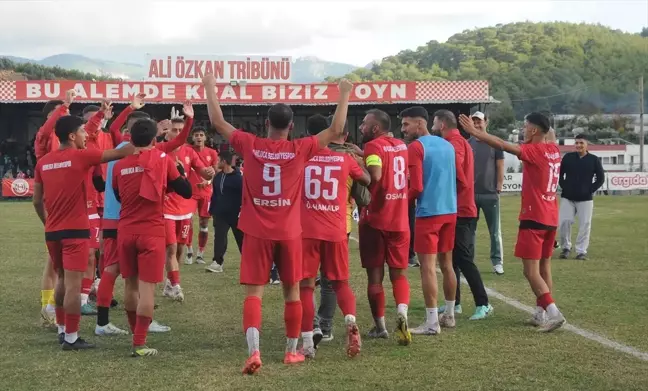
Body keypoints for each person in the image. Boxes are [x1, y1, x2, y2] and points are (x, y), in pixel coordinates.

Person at [202, 74, 353, 374]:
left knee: (254, 294)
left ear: (267, 124)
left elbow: (218, 122)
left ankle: (254, 352)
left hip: (257, 231)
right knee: (292, 292)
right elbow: (336, 129)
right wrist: (344, 93)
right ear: (290, 126)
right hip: (289, 232)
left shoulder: (250, 144)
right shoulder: (301, 148)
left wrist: (209, 87)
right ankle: (290, 352)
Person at [32, 114, 135, 350]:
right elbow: (122, 152)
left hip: (53, 231)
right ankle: (71, 337)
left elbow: (37, 200)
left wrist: (47, 221)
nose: (84, 136)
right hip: (76, 231)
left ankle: (61, 329)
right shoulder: (81, 156)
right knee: (73, 286)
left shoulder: (43, 162)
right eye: (81, 132)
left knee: (61, 279)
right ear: (71, 135)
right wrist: (142, 135)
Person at [459, 112, 566, 332]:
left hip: (534, 216)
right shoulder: (553, 149)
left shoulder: (534, 151)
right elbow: (549, 133)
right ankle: (540, 313)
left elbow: (501, 144)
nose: (524, 129)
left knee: (530, 271)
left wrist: (475, 132)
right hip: (551, 217)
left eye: (526, 126)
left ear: (535, 130)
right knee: (545, 266)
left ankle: (553, 313)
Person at [112, 118, 193, 357]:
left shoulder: (119, 165)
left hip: (126, 230)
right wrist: (177, 173)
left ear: (130, 138)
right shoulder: (163, 159)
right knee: (147, 289)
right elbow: (186, 191)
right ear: (154, 139)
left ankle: (133, 331)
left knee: (130, 285)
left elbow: (118, 196)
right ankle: (139, 342)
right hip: (152, 230)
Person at [299, 115, 370, 359]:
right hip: (337, 228)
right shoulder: (344, 160)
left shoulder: (302, 157)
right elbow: (368, 180)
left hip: (306, 230)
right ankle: (350, 322)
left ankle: (308, 342)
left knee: (306, 286)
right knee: (340, 283)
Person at [401, 106, 458, 335]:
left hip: (428, 212)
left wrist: (400, 200)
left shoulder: (416, 147)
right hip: (450, 210)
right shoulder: (447, 145)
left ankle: (432, 322)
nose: (403, 129)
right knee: (447, 264)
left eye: (406, 124)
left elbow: (416, 186)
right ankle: (450, 315)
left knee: (427, 267)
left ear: (420, 124)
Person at [358, 109, 411, 345]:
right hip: (399, 219)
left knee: (375, 277)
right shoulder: (401, 145)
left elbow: (376, 174)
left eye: (364, 123)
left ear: (375, 128)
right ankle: (402, 313)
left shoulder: (373, 146)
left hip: (375, 220)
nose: (361, 127)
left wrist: (356, 168)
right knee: (398, 275)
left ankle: (380, 326)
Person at [436, 110, 492, 321]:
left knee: (464, 258)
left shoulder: (455, 143)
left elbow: (456, 172)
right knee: (453, 259)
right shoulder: (457, 142)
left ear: (441, 124)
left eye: (435, 122)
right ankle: (455, 303)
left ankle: (483, 303)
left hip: (462, 209)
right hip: (456, 208)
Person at [161, 106, 215, 302]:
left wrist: (208, 173)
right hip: (166, 207)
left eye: (180, 130)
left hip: (185, 207)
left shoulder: (189, 152)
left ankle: (170, 282)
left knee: (181, 248)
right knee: (171, 248)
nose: (177, 134)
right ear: (167, 132)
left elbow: (201, 169)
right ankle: (176, 285)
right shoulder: (160, 150)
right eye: (174, 130)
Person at [34, 90, 74, 329]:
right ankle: (47, 307)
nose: (64, 115)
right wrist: (62, 107)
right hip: (54, 202)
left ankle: (55, 304)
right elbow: (47, 131)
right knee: (53, 259)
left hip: (69, 201)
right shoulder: (44, 136)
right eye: (60, 112)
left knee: (62, 259)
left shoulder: (66, 140)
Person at [469, 111, 505, 275]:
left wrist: (499, 184)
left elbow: (500, 165)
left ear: (486, 122)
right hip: (471, 194)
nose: (477, 125)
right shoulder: (468, 143)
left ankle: (497, 262)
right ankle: (468, 261)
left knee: (494, 231)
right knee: (469, 230)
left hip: (490, 194)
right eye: (474, 122)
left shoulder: (495, 143)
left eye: (479, 122)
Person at [558, 134, 605, 260]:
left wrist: (590, 189)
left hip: (586, 199)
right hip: (567, 197)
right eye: (577, 143)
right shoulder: (568, 157)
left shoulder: (594, 160)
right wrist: (564, 186)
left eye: (581, 143)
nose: (578, 145)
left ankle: (581, 251)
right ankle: (565, 248)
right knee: (564, 222)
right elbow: (560, 174)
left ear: (586, 144)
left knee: (585, 224)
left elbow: (601, 178)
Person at [185, 127, 219, 265]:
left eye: (201, 135)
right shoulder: (188, 150)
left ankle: (200, 253)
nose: (199, 137)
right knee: (188, 222)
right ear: (192, 138)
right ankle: (189, 251)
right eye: (196, 135)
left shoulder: (212, 153)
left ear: (205, 137)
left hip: (206, 193)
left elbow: (216, 172)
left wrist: (208, 181)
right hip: (190, 192)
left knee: (204, 224)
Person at [206, 151, 244, 273]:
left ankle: (249, 262)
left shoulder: (239, 178)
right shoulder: (217, 177)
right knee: (219, 237)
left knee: (242, 239)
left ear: (224, 161)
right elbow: (215, 194)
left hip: (236, 215)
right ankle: (217, 262)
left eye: (218, 160)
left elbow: (245, 196)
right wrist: (212, 209)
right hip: (220, 214)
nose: (216, 163)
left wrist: (243, 211)